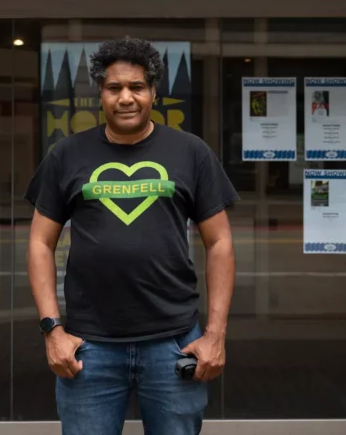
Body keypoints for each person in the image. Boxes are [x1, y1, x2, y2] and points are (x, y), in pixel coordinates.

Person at [25, 37, 238, 435]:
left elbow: (220, 243)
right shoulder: (67, 155)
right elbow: (40, 242)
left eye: (136, 87)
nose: (126, 98)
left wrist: (215, 335)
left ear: (153, 93)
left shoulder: (190, 152)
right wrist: (52, 330)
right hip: (89, 346)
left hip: (174, 342)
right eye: (114, 88)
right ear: (101, 95)